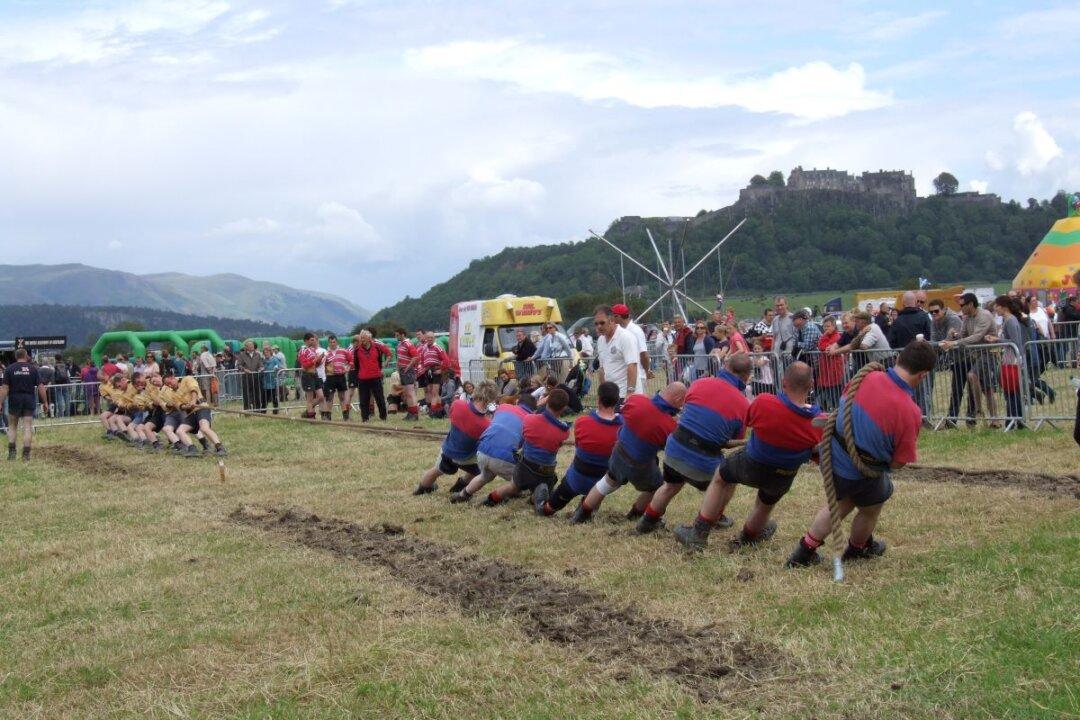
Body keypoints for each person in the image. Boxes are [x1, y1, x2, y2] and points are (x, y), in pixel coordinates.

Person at [785, 341, 937, 568]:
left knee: (841, 503)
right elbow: (897, 463)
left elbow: (844, 408)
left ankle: (803, 552)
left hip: (834, 456)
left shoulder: (866, 377)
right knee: (871, 504)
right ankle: (857, 548)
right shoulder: (910, 411)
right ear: (923, 375)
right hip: (860, 471)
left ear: (897, 359)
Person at [673, 362, 824, 551]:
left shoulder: (764, 401)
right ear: (811, 385)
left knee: (721, 478)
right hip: (784, 474)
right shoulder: (819, 421)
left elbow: (749, 421)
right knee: (765, 504)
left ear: (784, 383)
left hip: (752, 464)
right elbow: (816, 450)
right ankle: (748, 537)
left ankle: (699, 533)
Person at [634, 354, 752, 535]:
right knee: (728, 480)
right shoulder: (743, 405)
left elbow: (687, 411)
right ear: (746, 376)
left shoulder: (699, 383)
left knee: (670, 485)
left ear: (726, 366)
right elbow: (729, 442)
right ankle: (716, 516)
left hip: (673, 450)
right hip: (703, 463)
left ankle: (647, 522)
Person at [569, 382, 687, 524]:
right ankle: (635, 515)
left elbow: (626, 412)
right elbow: (668, 446)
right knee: (657, 488)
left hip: (618, 452)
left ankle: (581, 515)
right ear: (678, 400)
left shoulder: (637, 401)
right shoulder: (670, 426)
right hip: (640, 466)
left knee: (607, 481)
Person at [535, 382, 622, 517]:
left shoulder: (582, 422)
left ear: (598, 399)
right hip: (603, 483)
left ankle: (546, 508)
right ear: (617, 400)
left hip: (577, 479)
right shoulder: (624, 427)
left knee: (548, 509)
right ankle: (588, 507)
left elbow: (579, 446)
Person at [481, 388, 571, 506]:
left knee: (513, 486)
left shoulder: (529, 419)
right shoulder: (564, 431)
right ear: (564, 408)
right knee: (549, 485)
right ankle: (534, 499)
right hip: (546, 471)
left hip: (525, 466)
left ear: (546, 401)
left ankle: (491, 500)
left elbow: (524, 437)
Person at [413, 380, 498, 495]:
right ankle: (461, 485)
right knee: (479, 471)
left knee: (436, 470)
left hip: (448, 449)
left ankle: (422, 489)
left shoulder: (458, 404)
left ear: (476, 391)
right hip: (466, 457)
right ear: (490, 399)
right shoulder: (486, 424)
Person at [451, 394, 538, 504]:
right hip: (503, 458)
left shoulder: (503, 407)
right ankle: (494, 499)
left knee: (484, 476)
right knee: (520, 480)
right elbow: (524, 447)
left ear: (517, 402)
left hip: (482, 450)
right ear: (534, 410)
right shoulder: (530, 420)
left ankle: (462, 495)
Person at [939, 293, 995, 428]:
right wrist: (954, 335)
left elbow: (976, 337)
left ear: (970, 304)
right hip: (977, 355)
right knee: (988, 390)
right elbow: (963, 334)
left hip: (989, 354)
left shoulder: (984, 316)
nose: (960, 307)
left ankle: (978, 410)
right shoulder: (967, 318)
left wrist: (954, 343)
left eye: (962, 305)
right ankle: (994, 420)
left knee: (972, 375)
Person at [0, 349, 49, 460]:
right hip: (28, 398)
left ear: (16, 356)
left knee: (12, 426)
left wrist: (0, 402)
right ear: (26, 356)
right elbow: (41, 386)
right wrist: (45, 402)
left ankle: (12, 453)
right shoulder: (32, 369)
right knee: (27, 427)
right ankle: (26, 454)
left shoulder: (9, 369)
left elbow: (5, 388)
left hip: (14, 399)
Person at [987, 296, 1026, 427]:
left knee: (1012, 392)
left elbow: (1015, 342)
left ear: (1004, 307)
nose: (995, 309)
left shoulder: (1010, 321)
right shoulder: (1008, 320)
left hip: (1012, 361)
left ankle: (1014, 420)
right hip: (1009, 360)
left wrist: (996, 340)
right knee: (1010, 392)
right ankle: (1015, 420)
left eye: (997, 306)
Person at [176, 372, 227, 457]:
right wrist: (185, 406)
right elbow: (178, 406)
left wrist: (193, 401)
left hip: (201, 408)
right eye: (167, 384)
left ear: (174, 378)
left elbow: (194, 389)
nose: (169, 385)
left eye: (169, 382)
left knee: (204, 428)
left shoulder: (187, 379)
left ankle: (220, 447)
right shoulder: (174, 393)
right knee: (180, 431)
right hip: (191, 413)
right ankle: (192, 449)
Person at [593, 305, 639, 399]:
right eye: (596, 324)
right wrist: (602, 393)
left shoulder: (625, 337)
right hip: (610, 395)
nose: (599, 326)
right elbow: (602, 369)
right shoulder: (600, 340)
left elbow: (632, 365)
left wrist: (630, 392)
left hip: (624, 394)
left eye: (602, 323)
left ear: (612, 321)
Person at [612, 304, 650, 389]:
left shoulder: (635, 331)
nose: (612, 319)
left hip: (638, 376)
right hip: (624, 377)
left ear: (618, 316)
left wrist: (646, 371)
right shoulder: (620, 331)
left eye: (613, 316)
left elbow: (643, 354)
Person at [418, 332, 450, 418]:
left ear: (434, 338)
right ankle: (441, 412)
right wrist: (423, 368)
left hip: (436, 370)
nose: (430, 339)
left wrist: (441, 370)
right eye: (428, 337)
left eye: (431, 338)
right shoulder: (424, 348)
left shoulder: (437, 348)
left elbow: (446, 361)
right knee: (432, 393)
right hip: (428, 371)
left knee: (435, 393)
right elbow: (422, 360)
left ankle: (432, 413)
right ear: (426, 338)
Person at [320, 334, 352, 420]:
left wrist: (347, 368)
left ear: (337, 342)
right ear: (328, 343)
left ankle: (345, 416)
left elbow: (351, 360)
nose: (332, 344)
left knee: (342, 397)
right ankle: (328, 416)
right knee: (329, 397)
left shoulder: (343, 351)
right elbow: (322, 364)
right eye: (330, 342)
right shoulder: (326, 353)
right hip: (330, 377)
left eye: (334, 342)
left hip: (341, 376)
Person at [394, 328, 421, 421]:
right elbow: (399, 358)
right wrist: (398, 368)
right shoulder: (399, 344)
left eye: (397, 335)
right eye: (395, 335)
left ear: (402, 335)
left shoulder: (408, 343)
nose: (396, 337)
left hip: (408, 370)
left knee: (411, 393)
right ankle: (410, 413)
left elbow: (416, 356)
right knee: (406, 393)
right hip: (402, 370)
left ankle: (415, 414)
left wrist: (408, 366)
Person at [297, 333, 326, 419]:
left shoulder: (313, 350)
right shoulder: (303, 351)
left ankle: (307, 411)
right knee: (309, 398)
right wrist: (315, 360)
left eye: (314, 340)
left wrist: (320, 360)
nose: (314, 342)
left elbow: (315, 364)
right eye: (312, 340)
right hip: (307, 375)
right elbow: (304, 365)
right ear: (306, 341)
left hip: (315, 374)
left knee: (321, 396)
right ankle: (311, 417)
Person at [236, 340, 265, 413]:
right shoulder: (242, 355)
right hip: (246, 377)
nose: (252, 347)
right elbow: (238, 365)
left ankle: (257, 411)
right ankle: (247, 412)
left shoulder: (257, 355)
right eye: (250, 346)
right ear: (246, 347)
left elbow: (261, 365)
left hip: (256, 377)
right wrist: (244, 369)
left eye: (252, 345)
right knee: (247, 395)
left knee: (257, 394)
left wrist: (261, 368)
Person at [261, 344, 284, 414]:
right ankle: (263, 410)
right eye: (265, 353)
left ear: (270, 352)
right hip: (265, 381)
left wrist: (277, 369)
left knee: (274, 397)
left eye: (267, 352)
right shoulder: (263, 361)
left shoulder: (275, 359)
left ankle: (276, 410)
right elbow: (260, 368)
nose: (266, 354)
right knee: (264, 398)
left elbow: (281, 368)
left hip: (273, 382)